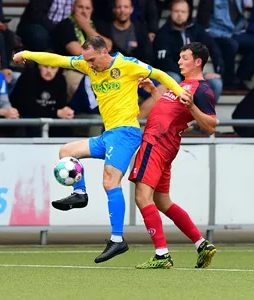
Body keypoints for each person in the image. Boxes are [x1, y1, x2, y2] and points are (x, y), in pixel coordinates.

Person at [13, 36, 190, 264]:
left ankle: (117, 239)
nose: (90, 65)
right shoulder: (87, 63)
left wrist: (179, 91)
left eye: (93, 60)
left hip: (126, 132)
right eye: (87, 61)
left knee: (109, 182)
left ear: (105, 53)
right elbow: (57, 59)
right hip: (108, 134)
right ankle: (80, 193)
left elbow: (160, 74)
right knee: (66, 151)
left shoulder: (127, 64)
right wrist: (27, 54)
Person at [129, 42, 217, 269]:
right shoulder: (180, 85)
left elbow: (211, 126)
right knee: (162, 201)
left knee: (142, 197)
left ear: (198, 61)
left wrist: (192, 108)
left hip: (156, 144)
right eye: (179, 57)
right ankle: (201, 244)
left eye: (184, 57)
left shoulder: (202, 89)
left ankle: (161, 254)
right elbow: (168, 111)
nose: (179, 61)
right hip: (164, 145)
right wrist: (154, 91)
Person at [153, 0, 223, 103]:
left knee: (215, 83)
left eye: (183, 11)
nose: (179, 15)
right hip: (174, 73)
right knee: (174, 79)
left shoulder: (196, 29)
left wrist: (219, 71)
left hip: (193, 74)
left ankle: (204, 116)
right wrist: (189, 75)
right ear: (170, 12)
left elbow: (213, 48)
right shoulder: (162, 34)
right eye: (176, 11)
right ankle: (176, 115)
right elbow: (165, 63)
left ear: (188, 13)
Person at [9, 62, 74, 137]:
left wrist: (66, 112)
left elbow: (61, 105)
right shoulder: (27, 77)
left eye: (53, 68)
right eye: (46, 66)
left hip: (51, 117)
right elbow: (28, 108)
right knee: (32, 125)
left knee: (66, 126)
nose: (49, 71)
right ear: (39, 66)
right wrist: (56, 113)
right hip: (26, 118)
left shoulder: (61, 80)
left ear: (58, 69)